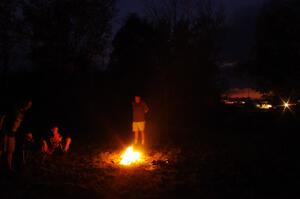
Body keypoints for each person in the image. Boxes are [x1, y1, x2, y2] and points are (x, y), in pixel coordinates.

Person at [3, 99, 32, 171]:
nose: (30, 106)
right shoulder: (15, 110)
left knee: (10, 151)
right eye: (29, 104)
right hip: (5, 132)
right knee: (1, 150)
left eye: (30, 105)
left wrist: (27, 133)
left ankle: (9, 168)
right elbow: (4, 117)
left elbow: (20, 125)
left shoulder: (23, 113)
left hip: (12, 134)